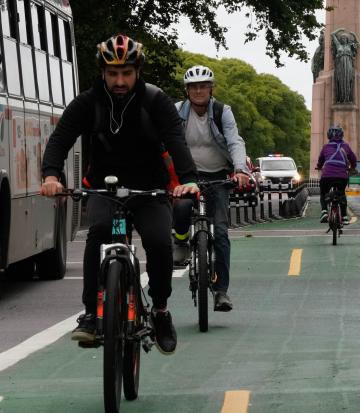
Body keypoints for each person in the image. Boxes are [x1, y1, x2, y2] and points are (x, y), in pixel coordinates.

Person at [41, 35, 199, 355]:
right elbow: (60, 139)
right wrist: (50, 176)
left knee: (157, 240)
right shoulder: (88, 102)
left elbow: (175, 141)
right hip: (105, 188)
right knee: (99, 231)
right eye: (112, 73)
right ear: (102, 72)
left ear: (137, 71)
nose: (119, 80)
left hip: (148, 188)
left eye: (126, 72)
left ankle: (160, 311)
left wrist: (189, 180)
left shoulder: (155, 101)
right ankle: (90, 313)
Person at [172, 65, 250, 313]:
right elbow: (164, 142)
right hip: (187, 177)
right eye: (193, 87)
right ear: (186, 90)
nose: (198, 91)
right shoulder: (176, 112)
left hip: (218, 176)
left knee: (222, 233)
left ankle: (221, 292)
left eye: (203, 86)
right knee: (182, 206)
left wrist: (240, 170)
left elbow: (234, 140)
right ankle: (182, 242)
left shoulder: (221, 111)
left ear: (211, 89)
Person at [317, 125, 357, 224]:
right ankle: (344, 217)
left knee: (323, 192)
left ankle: (324, 211)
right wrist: (352, 167)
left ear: (329, 136)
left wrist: (319, 166)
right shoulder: (346, 146)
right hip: (342, 176)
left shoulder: (326, 147)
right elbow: (353, 159)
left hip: (327, 175)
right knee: (342, 193)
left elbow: (320, 160)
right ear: (342, 136)